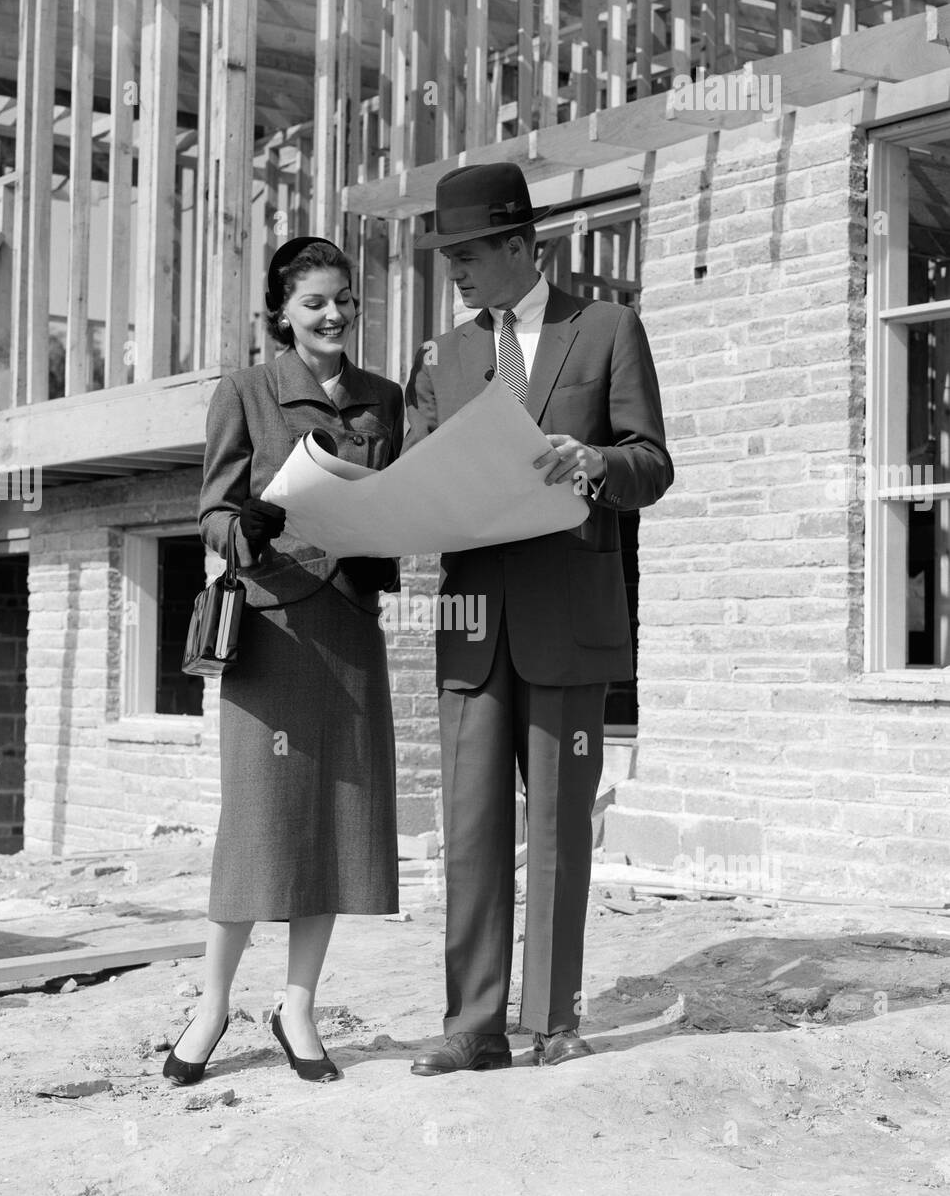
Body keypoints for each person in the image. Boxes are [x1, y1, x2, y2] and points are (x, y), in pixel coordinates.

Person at [403, 163, 673, 1075]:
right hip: (473, 624)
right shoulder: (443, 357)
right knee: (473, 827)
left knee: (558, 825)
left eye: (472, 255)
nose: (459, 275)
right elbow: (414, 478)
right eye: (450, 261)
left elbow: (653, 465)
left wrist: (592, 459)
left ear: (523, 245)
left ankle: (554, 1020)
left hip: (570, 615)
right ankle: (472, 1027)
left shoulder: (605, 330)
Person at [164, 237, 402, 1086]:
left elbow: (393, 500)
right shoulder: (248, 391)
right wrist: (244, 527)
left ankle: (297, 1006)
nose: (333, 314)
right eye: (314, 303)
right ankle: (213, 1004)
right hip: (272, 632)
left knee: (333, 827)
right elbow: (212, 512)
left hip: (347, 631)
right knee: (257, 824)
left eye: (343, 299)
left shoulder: (384, 400)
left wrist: (387, 554)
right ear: (282, 316)